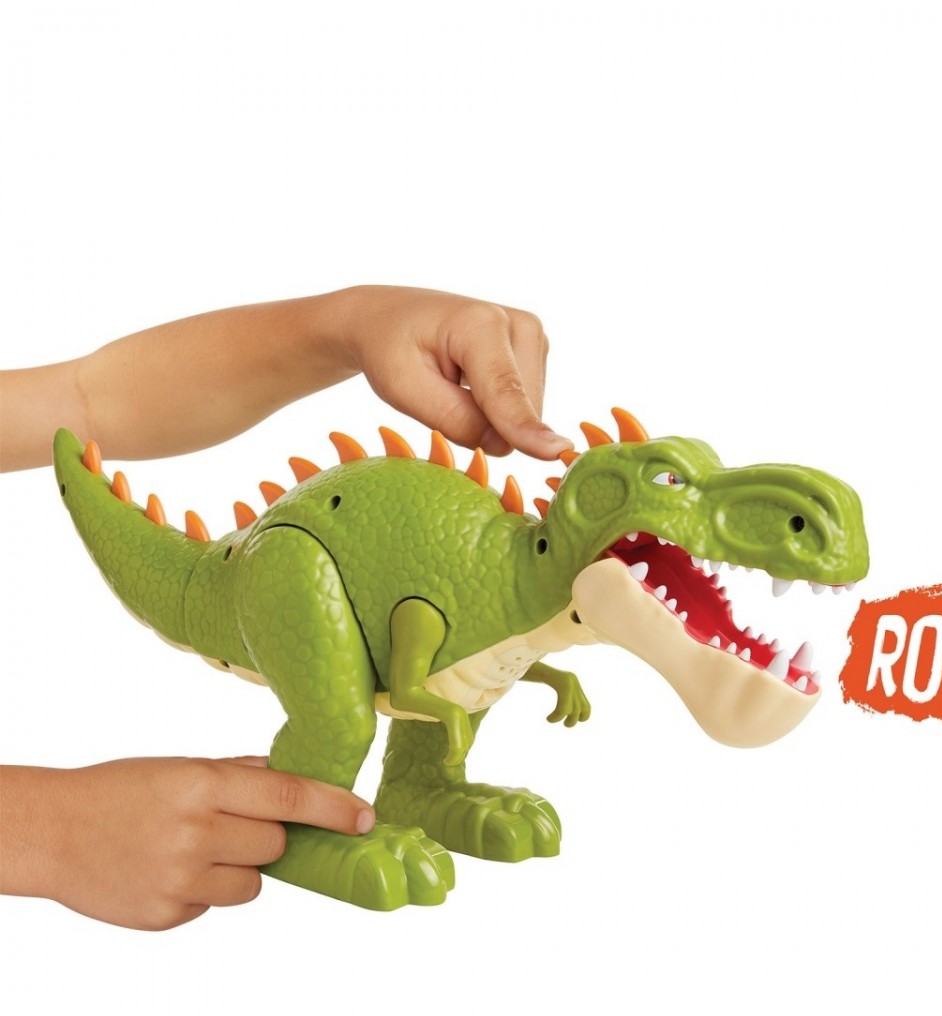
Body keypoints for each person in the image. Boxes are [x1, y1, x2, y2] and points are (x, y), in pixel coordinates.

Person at [0, 284, 572, 931]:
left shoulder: (538, 598)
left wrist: (350, 323)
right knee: (340, 722)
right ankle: (303, 828)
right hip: (292, 565)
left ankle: (422, 785)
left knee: (470, 660)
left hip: (372, 558)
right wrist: (52, 831)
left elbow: (84, 400)